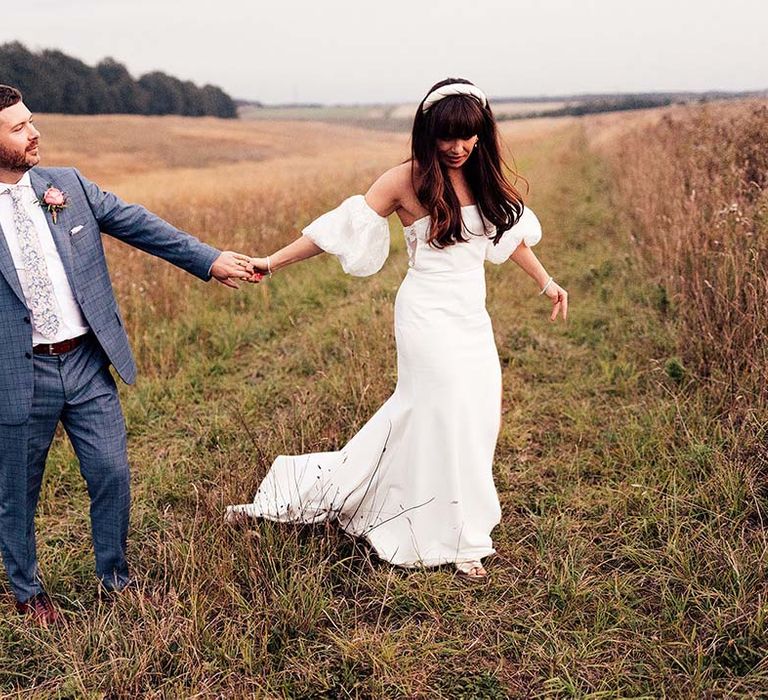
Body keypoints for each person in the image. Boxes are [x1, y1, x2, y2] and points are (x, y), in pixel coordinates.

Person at [226, 78, 568, 579]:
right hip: (425, 314)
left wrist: (547, 282)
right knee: (440, 409)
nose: (457, 147)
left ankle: (459, 520)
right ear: (427, 133)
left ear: (481, 133)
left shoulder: (484, 175)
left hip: (471, 316)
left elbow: (509, 238)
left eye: (467, 136)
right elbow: (337, 231)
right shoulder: (403, 181)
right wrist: (272, 262)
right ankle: (447, 537)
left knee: (476, 413)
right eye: (446, 137)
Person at [0, 85, 258, 624]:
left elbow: (138, 223)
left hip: (87, 362)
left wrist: (208, 260)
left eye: (32, 121)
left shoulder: (64, 184)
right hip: (17, 373)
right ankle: (27, 593)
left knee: (112, 472)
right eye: (20, 126)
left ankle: (115, 578)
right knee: (17, 492)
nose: (35, 131)